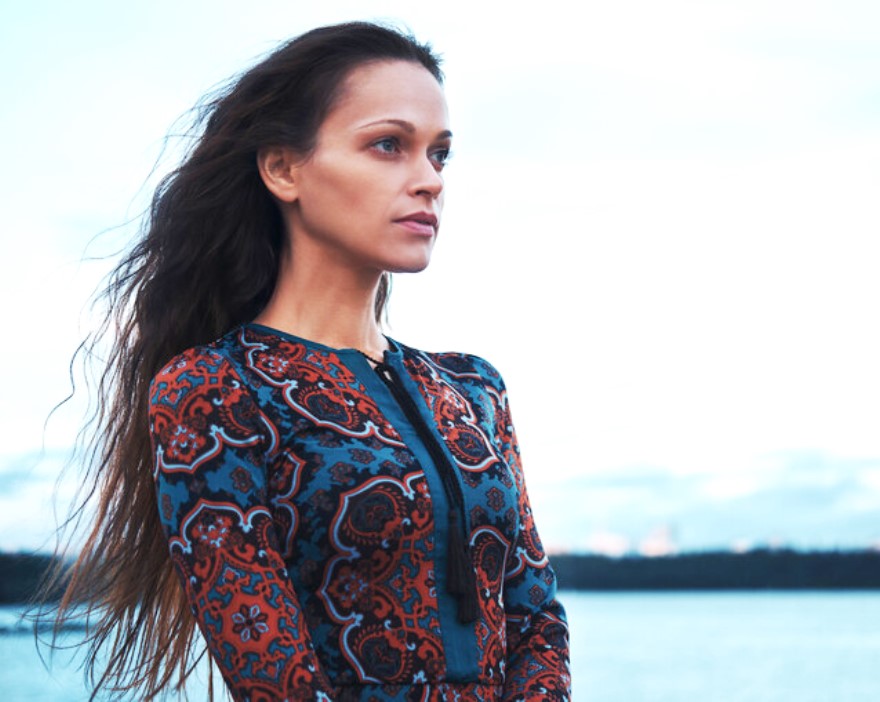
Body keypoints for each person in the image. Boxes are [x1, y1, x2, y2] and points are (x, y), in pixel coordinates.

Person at [48, 22, 570, 702]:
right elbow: (273, 676)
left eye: (439, 156)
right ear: (283, 169)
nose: (429, 182)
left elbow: (536, 620)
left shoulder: (473, 387)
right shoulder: (215, 391)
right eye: (389, 146)